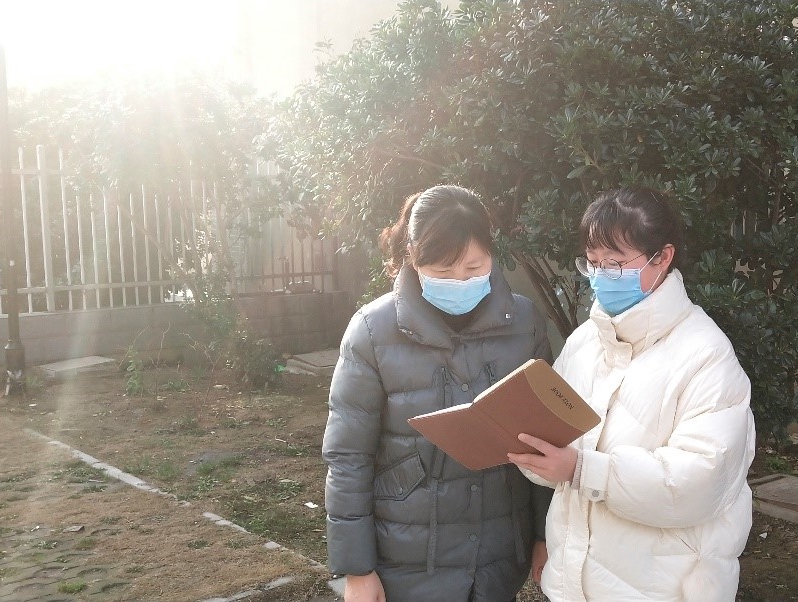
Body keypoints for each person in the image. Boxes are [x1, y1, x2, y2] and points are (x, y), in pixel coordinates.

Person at [508, 187, 756, 601]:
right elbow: (558, 446)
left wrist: (584, 471)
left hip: (662, 587)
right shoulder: (586, 342)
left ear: (663, 257)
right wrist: (532, 452)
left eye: (616, 263)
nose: (601, 275)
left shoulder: (706, 355)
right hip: (574, 584)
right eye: (593, 262)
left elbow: (700, 480)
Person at [323, 185, 552, 602]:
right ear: (412, 255)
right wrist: (357, 569)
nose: (460, 281)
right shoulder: (373, 332)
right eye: (443, 272)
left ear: (491, 252)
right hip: (407, 558)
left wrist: (543, 535)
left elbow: (544, 438)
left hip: (499, 554)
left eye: (473, 267)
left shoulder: (524, 322)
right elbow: (348, 457)